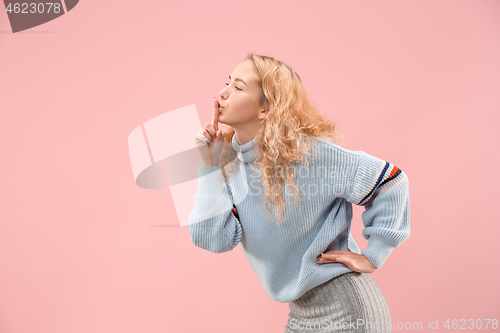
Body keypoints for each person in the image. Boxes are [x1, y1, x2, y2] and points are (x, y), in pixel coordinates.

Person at [188, 52, 410, 332]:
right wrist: (208, 166)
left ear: (265, 109)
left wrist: (374, 254)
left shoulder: (307, 154)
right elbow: (213, 239)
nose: (223, 92)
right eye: (227, 82)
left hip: (348, 310)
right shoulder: (231, 166)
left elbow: (391, 181)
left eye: (238, 87)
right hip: (301, 314)